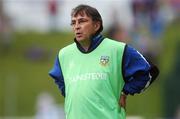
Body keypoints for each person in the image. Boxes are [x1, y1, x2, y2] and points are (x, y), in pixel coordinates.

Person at [49, 4, 159, 119]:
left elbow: (148, 73)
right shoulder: (64, 54)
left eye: (82, 21)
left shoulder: (118, 50)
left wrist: (125, 91)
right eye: (73, 23)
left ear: (96, 25)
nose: (76, 26)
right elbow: (61, 81)